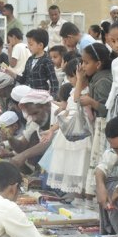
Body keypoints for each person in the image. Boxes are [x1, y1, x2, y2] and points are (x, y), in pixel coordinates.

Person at [42, 60, 92, 193]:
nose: (69, 80)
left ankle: (82, 194)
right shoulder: (73, 91)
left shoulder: (86, 90)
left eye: (71, 76)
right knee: (70, 165)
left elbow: (77, 101)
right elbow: (68, 114)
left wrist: (80, 79)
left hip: (82, 133)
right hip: (69, 132)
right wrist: (53, 129)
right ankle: (73, 194)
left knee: (80, 165)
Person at [75, 43, 114, 196]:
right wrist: (80, 79)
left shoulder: (103, 81)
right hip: (98, 124)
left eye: (86, 62)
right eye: (82, 62)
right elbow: (77, 98)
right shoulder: (96, 78)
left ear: (98, 64)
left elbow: (107, 109)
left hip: (104, 124)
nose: (83, 66)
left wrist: (92, 102)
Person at [9, 90, 56, 170]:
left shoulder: (59, 114)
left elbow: (51, 142)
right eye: (31, 115)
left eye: (36, 113)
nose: (34, 118)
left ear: (48, 105)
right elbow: (21, 146)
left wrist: (24, 155)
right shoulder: (33, 119)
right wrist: (9, 137)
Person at [8, 29, 58, 95]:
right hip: (28, 95)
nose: (28, 47)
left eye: (31, 44)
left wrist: (52, 97)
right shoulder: (30, 60)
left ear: (40, 45)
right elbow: (23, 79)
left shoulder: (46, 61)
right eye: (28, 44)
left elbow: (53, 81)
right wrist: (10, 72)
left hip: (41, 96)